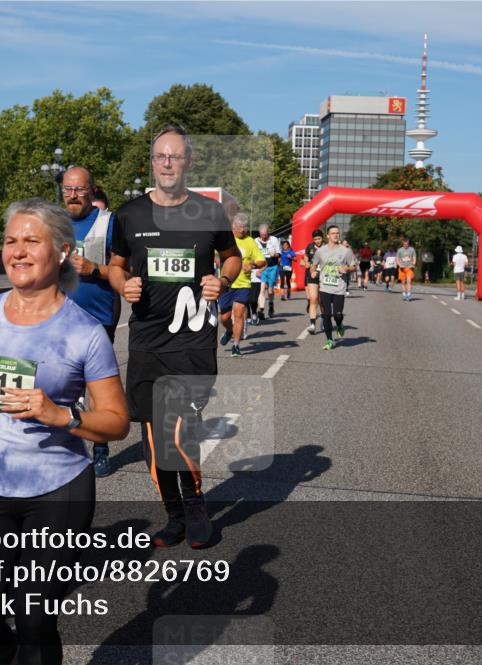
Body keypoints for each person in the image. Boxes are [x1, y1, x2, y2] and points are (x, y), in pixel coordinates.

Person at [0, 198, 128, 663]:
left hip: (59, 487)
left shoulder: (85, 332)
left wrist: (62, 416)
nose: (18, 251)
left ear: (63, 251)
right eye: (10, 241)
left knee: (35, 618)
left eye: (31, 241)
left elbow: (117, 422)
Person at [108, 125, 241, 549]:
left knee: (180, 430)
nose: (167, 163)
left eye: (175, 156)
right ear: (152, 162)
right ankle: (174, 514)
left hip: (193, 340)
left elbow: (232, 257)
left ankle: (196, 505)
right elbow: (115, 265)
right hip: (147, 340)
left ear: (188, 162)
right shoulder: (129, 215)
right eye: (160, 156)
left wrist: (222, 280)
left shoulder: (209, 212)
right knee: (154, 438)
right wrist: (122, 284)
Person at [61, 166, 121, 478]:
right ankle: (61, 445)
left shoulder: (109, 223)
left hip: (98, 317)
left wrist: (94, 269)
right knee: (57, 382)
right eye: (68, 189)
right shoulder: (52, 222)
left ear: (92, 190)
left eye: (79, 189)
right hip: (57, 317)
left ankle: (100, 449)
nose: (73, 195)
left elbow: (125, 271)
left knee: (97, 387)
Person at [219, 213, 265, 357]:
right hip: (226, 283)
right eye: (240, 227)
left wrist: (252, 264)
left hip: (243, 283)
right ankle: (229, 330)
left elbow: (262, 261)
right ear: (233, 227)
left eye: (245, 227)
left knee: (239, 314)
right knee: (224, 317)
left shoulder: (250, 241)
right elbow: (214, 255)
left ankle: (236, 346)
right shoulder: (225, 239)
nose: (243, 230)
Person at [309, 225, 354, 350]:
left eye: (337, 233)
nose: (336, 235)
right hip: (325, 287)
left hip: (339, 288)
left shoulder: (345, 251)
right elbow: (313, 265)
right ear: (328, 236)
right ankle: (329, 340)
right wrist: (313, 272)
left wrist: (346, 268)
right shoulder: (320, 251)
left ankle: (339, 325)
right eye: (333, 233)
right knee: (327, 315)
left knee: (337, 315)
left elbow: (354, 266)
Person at [255, 224, 281, 319]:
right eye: (262, 235)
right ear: (259, 234)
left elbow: (279, 253)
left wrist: (274, 254)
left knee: (270, 290)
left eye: (265, 234)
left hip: (272, 267)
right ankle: (261, 310)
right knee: (261, 289)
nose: (264, 236)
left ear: (268, 233)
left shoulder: (274, 239)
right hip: (262, 268)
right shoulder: (255, 241)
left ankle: (271, 305)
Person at [301, 229, 324, 333]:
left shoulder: (327, 247)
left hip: (324, 276)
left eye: (319, 239)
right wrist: (306, 262)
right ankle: (312, 325)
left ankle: (323, 319)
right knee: (313, 299)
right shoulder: (310, 247)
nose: (317, 241)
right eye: (315, 239)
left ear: (322, 238)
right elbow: (305, 256)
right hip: (312, 275)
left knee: (322, 301)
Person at [397, 237, 417, 301]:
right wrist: (399, 265)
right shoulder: (400, 250)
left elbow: (414, 257)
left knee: (409, 281)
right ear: (403, 243)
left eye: (407, 244)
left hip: (409, 268)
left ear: (408, 243)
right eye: (404, 244)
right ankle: (404, 293)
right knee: (403, 282)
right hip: (402, 268)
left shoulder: (412, 249)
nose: (406, 245)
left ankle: (408, 294)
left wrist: (413, 264)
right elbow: (397, 259)